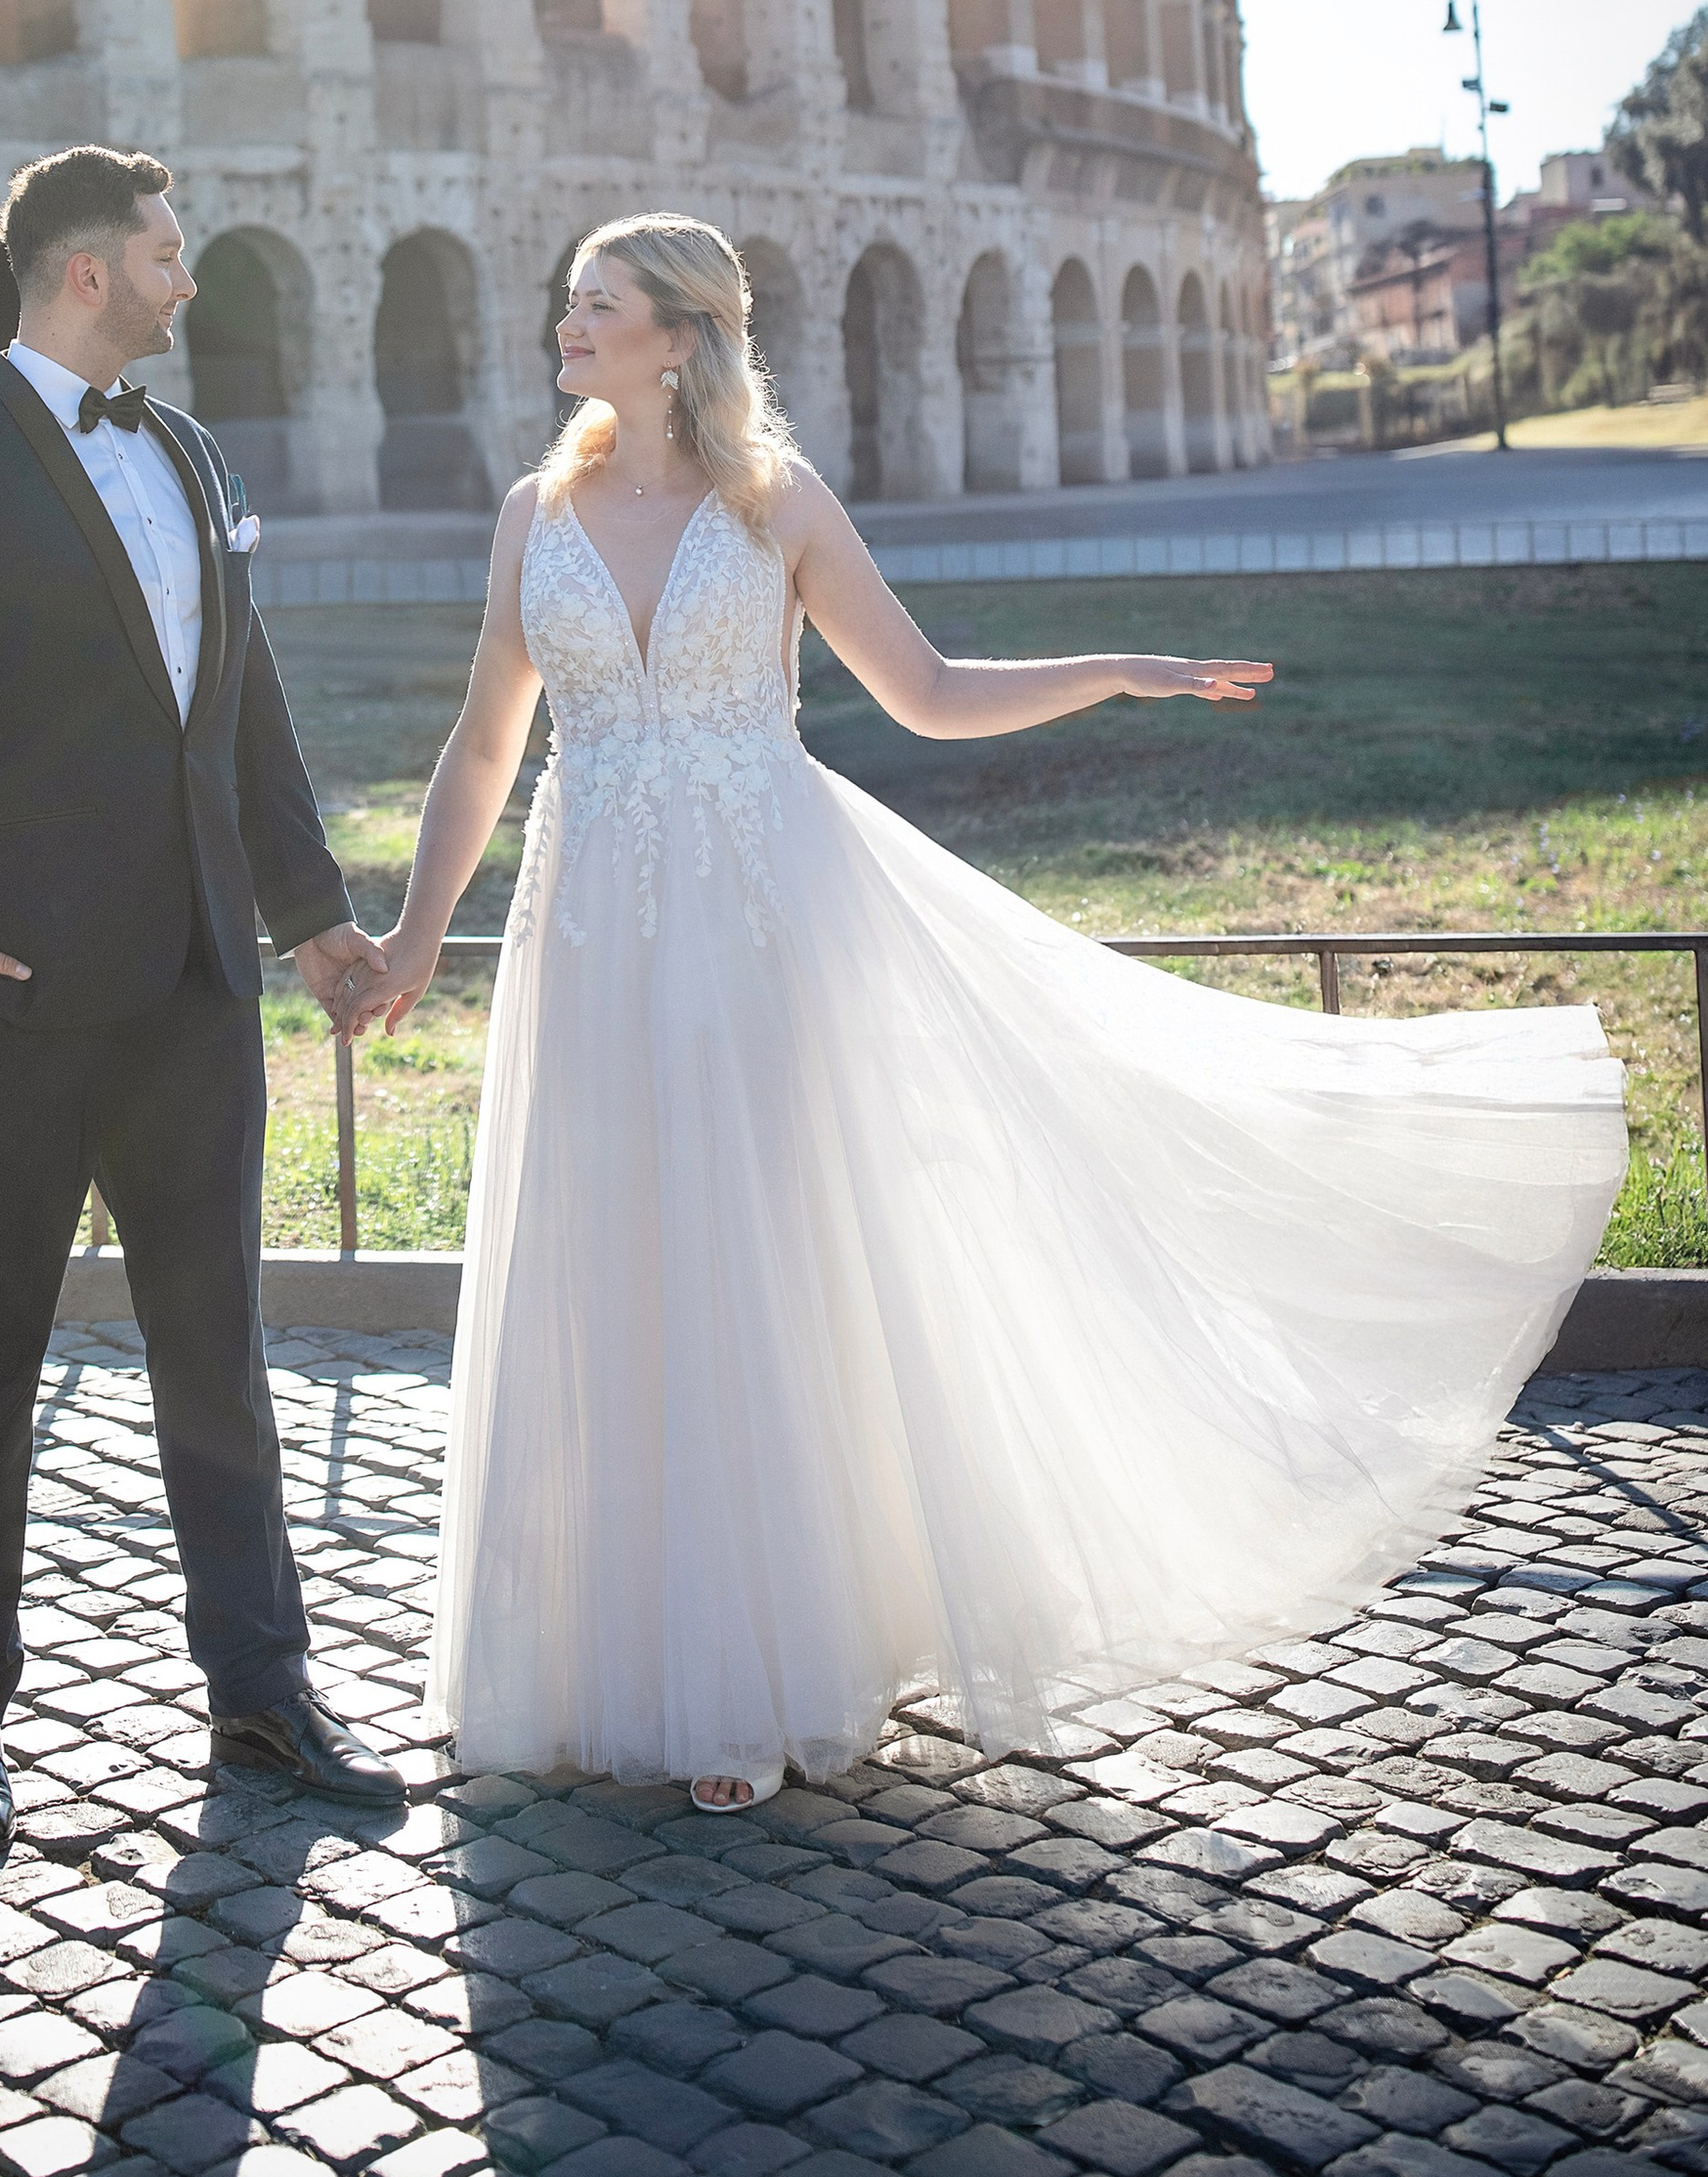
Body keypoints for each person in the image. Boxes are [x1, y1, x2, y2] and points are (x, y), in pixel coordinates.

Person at [353, 212, 1627, 1812]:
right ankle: (591, 1659)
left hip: (762, 927)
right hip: (592, 933)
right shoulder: (532, 514)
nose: (567, 323)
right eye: (570, 302)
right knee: (606, 1255)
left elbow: (933, 690)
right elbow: (486, 745)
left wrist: (1117, 666)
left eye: (595, 304)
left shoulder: (779, 503)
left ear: (677, 338)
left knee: (758, 1262)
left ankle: (761, 1675)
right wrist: (414, 936)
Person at [0, 145, 405, 1851]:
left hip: (197, 986)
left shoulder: (190, 451)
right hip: (10, 1002)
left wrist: (309, 917)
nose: (186, 279)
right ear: (85, 271)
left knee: (218, 1344)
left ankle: (263, 1688)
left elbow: (241, 707)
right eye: (164, 252)